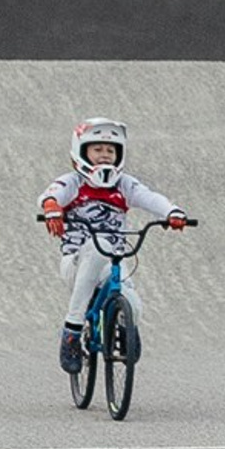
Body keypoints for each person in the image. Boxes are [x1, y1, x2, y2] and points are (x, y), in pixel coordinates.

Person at [39, 118, 191, 373]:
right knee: (98, 248)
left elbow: (150, 197)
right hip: (75, 261)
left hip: (111, 263)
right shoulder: (74, 182)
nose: (104, 156)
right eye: (97, 149)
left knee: (131, 299)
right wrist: (52, 207)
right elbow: (52, 194)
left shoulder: (124, 185)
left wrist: (172, 212)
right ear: (81, 151)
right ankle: (72, 330)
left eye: (111, 150)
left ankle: (124, 325)